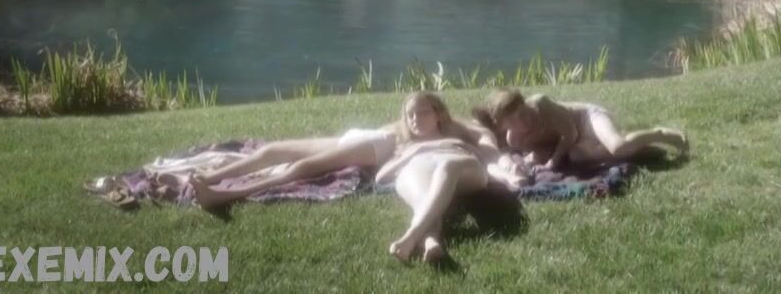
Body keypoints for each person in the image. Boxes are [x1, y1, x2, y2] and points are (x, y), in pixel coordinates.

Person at [374, 92, 528, 263]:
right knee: (423, 199)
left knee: (447, 166)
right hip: (417, 167)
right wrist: (415, 151)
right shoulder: (406, 148)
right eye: (410, 115)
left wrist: (506, 176)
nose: (415, 119)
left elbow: (487, 162)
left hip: (460, 167)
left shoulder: (455, 140)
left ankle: (411, 236)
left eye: (423, 112)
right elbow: (381, 177)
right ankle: (431, 242)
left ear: (438, 114)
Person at [188, 120, 399, 209]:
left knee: (299, 169)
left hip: (368, 150)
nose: (414, 119)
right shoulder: (395, 127)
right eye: (411, 114)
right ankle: (210, 177)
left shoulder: (413, 143)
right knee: (271, 151)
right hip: (344, 142)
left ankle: (220, 196)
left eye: (417, 113)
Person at [474, 88, 689, 169]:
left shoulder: (540, 104)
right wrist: (536, 159)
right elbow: (544, 147)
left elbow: (570, 133)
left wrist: (552, 162)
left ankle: (659, 134)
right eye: (512, 121)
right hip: (575, 141)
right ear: (503, 124)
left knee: (617, 147)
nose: (521, 122)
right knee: (578, 158)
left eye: (522, 114)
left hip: (587, 119)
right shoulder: (515, 140)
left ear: (525, 104)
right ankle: (641, 148)